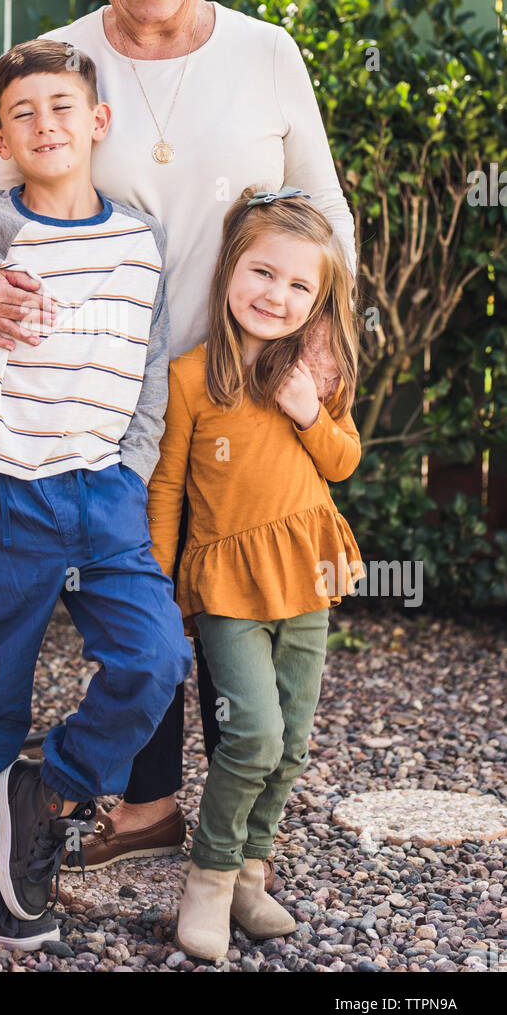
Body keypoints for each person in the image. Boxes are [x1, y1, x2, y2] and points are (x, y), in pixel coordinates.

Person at [0, 0, 356, 880]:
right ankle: (143, 814)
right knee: (144, 596)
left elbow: (324, 208)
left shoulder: (266, 53)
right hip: (102, 397)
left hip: (246, 393)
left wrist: (315, 339)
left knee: (238, 594)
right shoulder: (60, 58)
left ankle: (235, 843)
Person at [0, 36, 192, 949]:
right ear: (0, 136)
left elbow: (149, 370)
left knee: (155, 660)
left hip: (101, 498)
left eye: (62, 108)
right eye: (23, 114)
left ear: (97, 121)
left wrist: (128, 470)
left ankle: (45, 790)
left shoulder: (141, 235)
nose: (44, 125)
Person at [143, 186, 362, 962]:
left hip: (305, 575)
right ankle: (206, 876)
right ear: (230, 268)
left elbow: (341, 460)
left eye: (299, 285)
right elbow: (166, 489)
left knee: (293, 740)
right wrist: (161, 591)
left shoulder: (308, 371)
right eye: (262, 273)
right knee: (251, 735)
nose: (277, 296)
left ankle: (249, 872)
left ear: (318, 298)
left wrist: (309, 411)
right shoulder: (191, 377)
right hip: (228, 585)